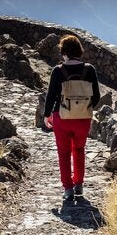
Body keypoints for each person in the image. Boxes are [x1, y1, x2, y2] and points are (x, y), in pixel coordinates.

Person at [42, 34, 101, 202]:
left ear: (64, 51)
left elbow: (51, 96)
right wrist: (84, 108)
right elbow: (96, 97)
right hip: (83, 119)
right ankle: (79, 185)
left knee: (64, 153)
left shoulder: (58, 71)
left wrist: (47, 115)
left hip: (61, 117)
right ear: (79, 50)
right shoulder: (89, 70)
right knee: (79, 150)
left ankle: (68, 189)